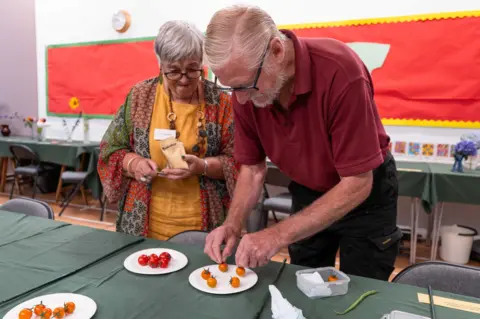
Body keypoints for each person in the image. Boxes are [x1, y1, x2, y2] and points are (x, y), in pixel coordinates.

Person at [202, 5, 402, 281]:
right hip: (309, 191)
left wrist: (276, 235)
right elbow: (252, 168)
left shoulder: (341, 71)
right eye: (231, 87)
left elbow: (357, 182)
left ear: (276, 50)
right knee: (304, 280)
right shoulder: (245, 89)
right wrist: (233, 224)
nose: (242, 100)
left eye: (245, 86)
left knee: (362, 287)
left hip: (364, 197)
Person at [98, 20, 238, 240]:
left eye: (193, 70)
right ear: (160, 66)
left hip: (205, 227)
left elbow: (240, 162)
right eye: (173, 71)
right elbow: (111, 149)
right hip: (143, 222)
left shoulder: (221, 103)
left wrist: (202, 166)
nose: (183, 80)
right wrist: (135, 164)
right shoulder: (140, 97)